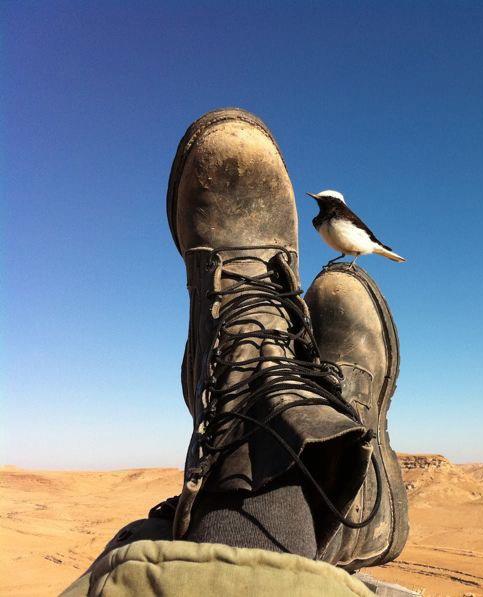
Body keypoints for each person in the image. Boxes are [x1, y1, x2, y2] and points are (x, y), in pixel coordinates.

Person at [61, 108, 409, 596]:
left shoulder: (346, 221)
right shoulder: (324, 220)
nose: (320, 204)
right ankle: (336, 466)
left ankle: (248, 392)